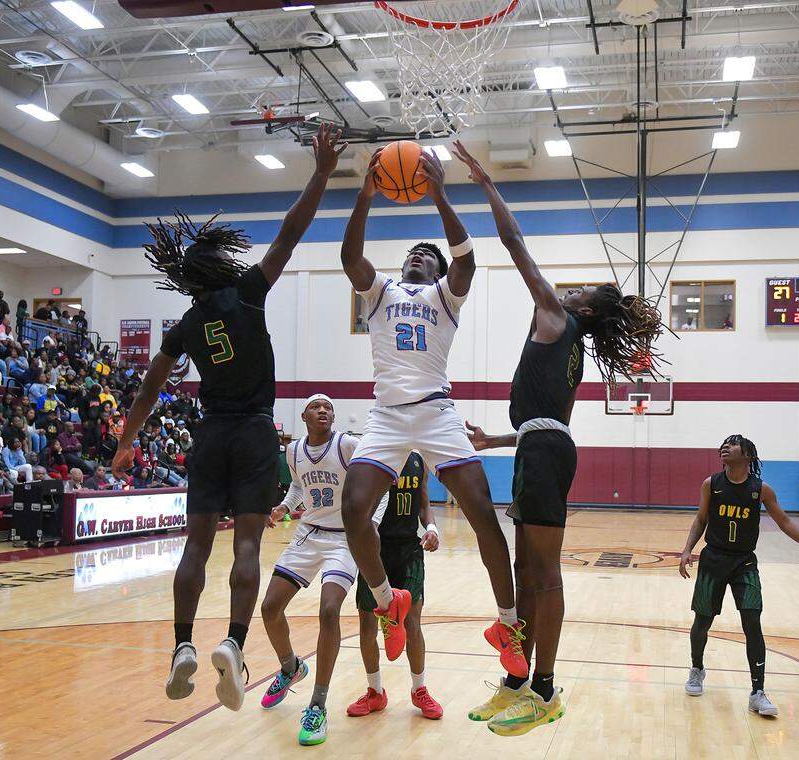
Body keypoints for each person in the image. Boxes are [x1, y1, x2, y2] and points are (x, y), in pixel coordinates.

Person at [110, 123, 344, 712]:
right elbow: (290, 235)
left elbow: (148, 387)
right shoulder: (247, 293)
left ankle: (182, 645)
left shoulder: (186, 324)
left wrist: (125, 441)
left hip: (209, 434)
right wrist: (319, 174)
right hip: (254, 433)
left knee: (194, 547)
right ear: (219, 267)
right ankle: (235, 645)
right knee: (246, 548)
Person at [455, 142, 662, 736]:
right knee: (527, 573)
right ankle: (518, 681)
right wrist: (497, 438)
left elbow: (515, 245)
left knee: (544, 575)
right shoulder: (566, 343)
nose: (567, 291)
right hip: (538, 446)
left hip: (545, 454)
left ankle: (545, 690)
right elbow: (544, 420)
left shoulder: (557, 316)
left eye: (580, 292)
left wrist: (488, 184)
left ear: (585, 308)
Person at [338, 141, 523, 682]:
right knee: (354, 508)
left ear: (437, 269)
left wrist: (440, 194)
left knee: (483, 512)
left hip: (438, 414)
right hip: (388, 416)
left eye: (426, 254)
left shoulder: (447, 295)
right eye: (411, 253)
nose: (416, 256)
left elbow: (466, 260)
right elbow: (351, 259)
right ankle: (385, 600)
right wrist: (365, 196)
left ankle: (507, 625)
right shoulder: (380, 293)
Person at [258, 395, 389, 746]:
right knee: (269, 608)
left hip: (345, 539)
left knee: (329, 611)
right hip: (308, 534)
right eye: (316, 407)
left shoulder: (347, 444)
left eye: (328, 408)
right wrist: (284, 506)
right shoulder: (295, 450)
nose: (324, 411)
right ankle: (290, 667)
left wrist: (372, 522)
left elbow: (381, 482)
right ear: (304, 415)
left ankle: (317, 705)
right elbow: (300, 485)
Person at [678, 435, 799, 717]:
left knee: (752, 621)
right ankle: (697, 668)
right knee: (702, 621)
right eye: (724, 444)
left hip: (744, 562)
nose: (725, 447)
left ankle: (757, 691)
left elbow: (785, 522)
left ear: (748, 455)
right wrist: (687, 549)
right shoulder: (711, 484)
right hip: (713, 559)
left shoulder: (760, 490)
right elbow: (701, 519)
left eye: (733, 444)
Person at [346, 450, 442, 722]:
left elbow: (423, 502)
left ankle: (419, 689)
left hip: (408, 549)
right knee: (367, 625)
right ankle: (375, 692)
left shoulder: (417, 459)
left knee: (412, 623)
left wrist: (432, 528)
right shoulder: (373, 455)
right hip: (374, 549)